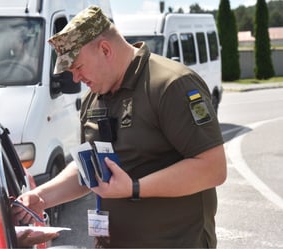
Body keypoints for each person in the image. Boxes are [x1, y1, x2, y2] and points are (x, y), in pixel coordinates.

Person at [13, 5, 227, 248]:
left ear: (105, 49)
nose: (75, 78)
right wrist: (41, 197)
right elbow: (89, 170)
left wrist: (134, 188)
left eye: (78, 67)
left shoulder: (170, 85)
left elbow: (213, 168)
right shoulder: (94, 97)